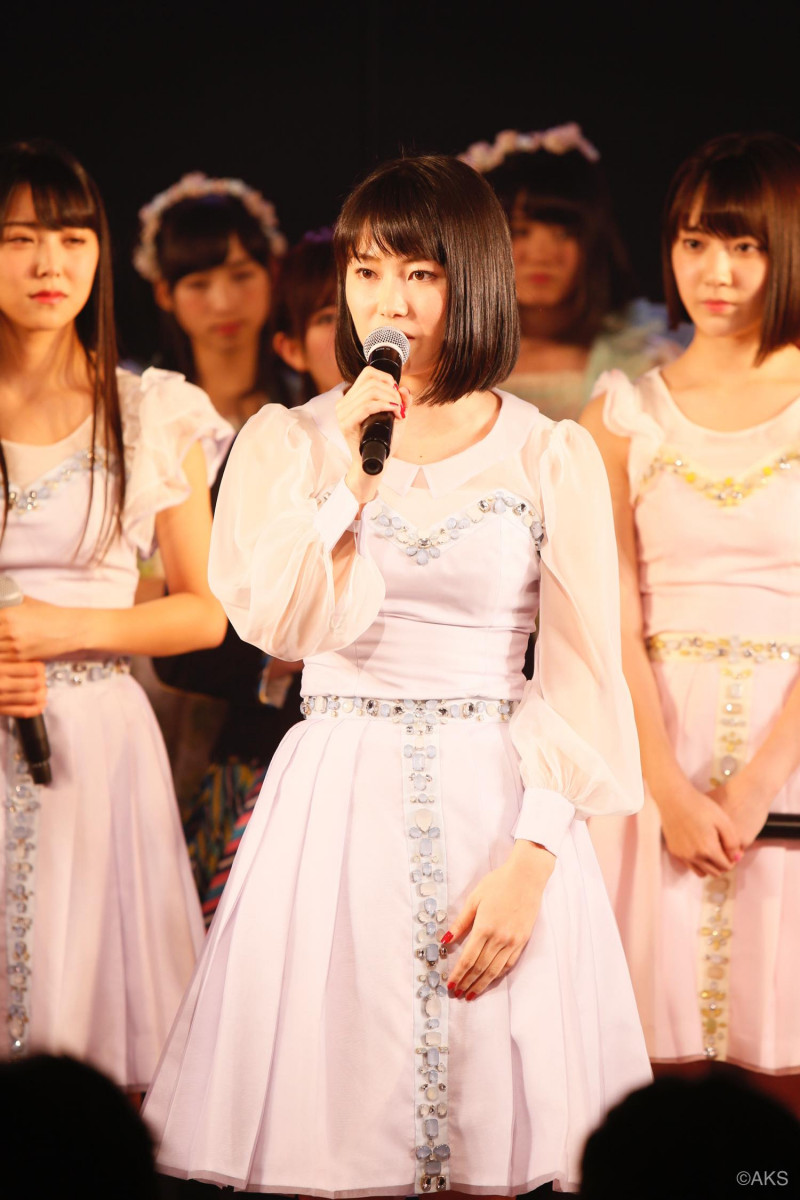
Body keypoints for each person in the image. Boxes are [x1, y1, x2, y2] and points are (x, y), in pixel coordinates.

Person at [142, 154, 650, 1196]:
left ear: (472, 283)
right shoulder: (291, 443)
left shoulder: (545, 451)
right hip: (335, 801)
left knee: (496, 1119)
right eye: (368, 271)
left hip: (498, 800)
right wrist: (348, 479)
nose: (392, 301)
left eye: (421, 273)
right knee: (337, 1115)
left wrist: (533, 861)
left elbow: (584, 672)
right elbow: (278, 621)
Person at [0, 140, 232, 1090]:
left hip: (96, 738)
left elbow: (203, 613)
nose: (49, 263)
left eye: (72, 237)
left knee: (104, 1029)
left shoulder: (149, 411)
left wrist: (66, 628)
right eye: (19, 238)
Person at [582, 132, 800, 1106]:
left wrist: (758, 784)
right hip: (652, 749)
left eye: (745, 246)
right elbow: (607, 615)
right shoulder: (621, 414)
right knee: (650, 1064)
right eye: (695, 242)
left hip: (785, 749)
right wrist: (665, 786)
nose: (716, 272)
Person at [132, 174, 299, 920]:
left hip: (258, 699)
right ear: (164, 294)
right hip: (148, 677)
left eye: (241, 275)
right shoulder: (142, 411)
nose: (224, 302)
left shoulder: (304, 411)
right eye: (199, 283)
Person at [460, 123, 682, 421]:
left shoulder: (642, 362)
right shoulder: (446, 361)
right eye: (520, 232)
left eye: (563, 234)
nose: (541, 254)